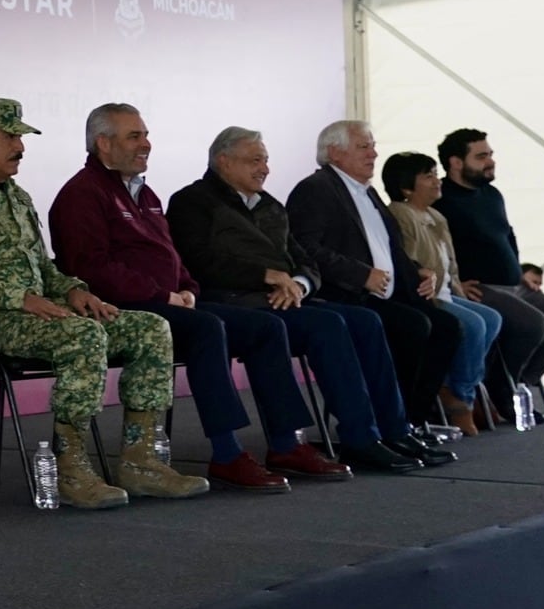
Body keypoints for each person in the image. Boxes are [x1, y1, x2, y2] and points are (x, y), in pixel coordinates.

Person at [0, 98, 205, 510]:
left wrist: (73, 290)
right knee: (82, 334)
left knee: (148, 327)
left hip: (37, 314)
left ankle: (141, 462)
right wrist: (22, 298)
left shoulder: (17, 197)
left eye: (21, 136)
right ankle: (70, 470)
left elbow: (43, 268)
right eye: (11, 136)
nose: (21, 146)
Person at [49, 104, 347, 492]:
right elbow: (89, 269)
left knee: (265, 328)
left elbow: (173, 256)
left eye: (145, 135)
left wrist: (188, 288)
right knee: (208, 328)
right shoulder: (82, 194)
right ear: (103, 143)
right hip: (120, 308)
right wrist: (162, 295)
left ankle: (287, 443)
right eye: (134, 137)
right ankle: (227, 454)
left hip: (170, 301)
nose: (147, 144)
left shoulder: (144, 193)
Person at [165, 128, 438, 473]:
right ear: (224, 161)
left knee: (366, 320)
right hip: (233, 300)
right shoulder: (193, 201)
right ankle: (350, 438)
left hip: (285, 299)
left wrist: (298, 283)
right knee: (327, 323)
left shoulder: (270, 206)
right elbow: (197, 260)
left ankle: (392, 429)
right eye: (255, 160)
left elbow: (304, 258)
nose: (265, 168)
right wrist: (265, 275)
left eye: (265, 160)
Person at [287, 122, 463, 434]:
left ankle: (412, 419)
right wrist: (360, 275)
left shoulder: (367, 192)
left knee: (446, 327)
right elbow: (305, 248)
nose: (374, 153)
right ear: (334, 153)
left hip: (388, 292)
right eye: (363, 147)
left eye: (372, 145)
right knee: (413, 327)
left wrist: (417, 270)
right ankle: (391, 424)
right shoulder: (315, 190)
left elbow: (387, 246)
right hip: (345, 293)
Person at [434, 129, 544, 422]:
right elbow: (438, 249)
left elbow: (508, 236)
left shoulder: (492, 194)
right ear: (455, 162)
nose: (490, 161)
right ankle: (502, 389)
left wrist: (520, 272)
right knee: (533, 324)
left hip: (515, 283)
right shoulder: (443, 200)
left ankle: (517, 384)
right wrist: (455, 283)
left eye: (490, 154)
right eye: (481, 156)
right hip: (480, 287)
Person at [381, 151, 504, 434]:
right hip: (426, 296)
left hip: (447, 293)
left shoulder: (436, 215)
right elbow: (409, 263)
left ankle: (454, 387)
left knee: (492, 318)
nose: (437, 181)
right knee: (473, 325)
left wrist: (459, 291)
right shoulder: (401, 214)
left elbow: (451, 266)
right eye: (428, 176)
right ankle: (460, 397)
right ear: (406, 187)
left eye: (436, 174)